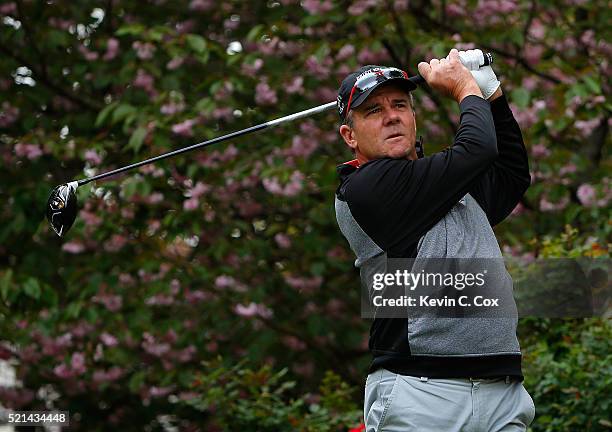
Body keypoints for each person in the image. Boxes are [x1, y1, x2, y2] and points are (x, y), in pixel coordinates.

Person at [334, 48, 534, 431]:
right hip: (420, 391)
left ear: (413, 117)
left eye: (400, 105)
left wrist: (491, 95)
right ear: (350, 136)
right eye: (373, 111)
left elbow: (510, 173)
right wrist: (463, 87)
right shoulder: (365, 189)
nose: (391, 115)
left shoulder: (445, 183)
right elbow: (477, 149)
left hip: (502, 389)